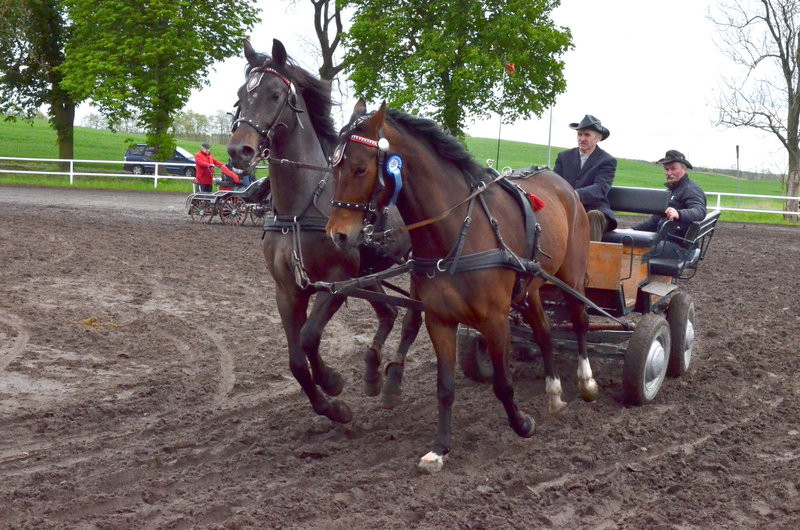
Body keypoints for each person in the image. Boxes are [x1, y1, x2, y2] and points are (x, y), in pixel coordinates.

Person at [632, 150, 707, 259]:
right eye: (666, 169)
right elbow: (655, 220)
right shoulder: (674, 190)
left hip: (681, 248)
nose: (669, 173)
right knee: (631, 243)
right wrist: (633, 230)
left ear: (684, 169)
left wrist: (679, 213)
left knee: (635, 249)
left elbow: (699, 211)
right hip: (669, 242)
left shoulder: (690, 189)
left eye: (673, 169)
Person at [553, 114, 617, 241]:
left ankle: (590, 259)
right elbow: (555, 182)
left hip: (595, 209)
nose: (582, 138)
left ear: (598, 138)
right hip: (567, 207)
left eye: (587, 135)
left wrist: (574, 195)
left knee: (594, 216)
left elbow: (600, 189)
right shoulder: (564, 157)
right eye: (579, 134)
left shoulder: (607, 160)